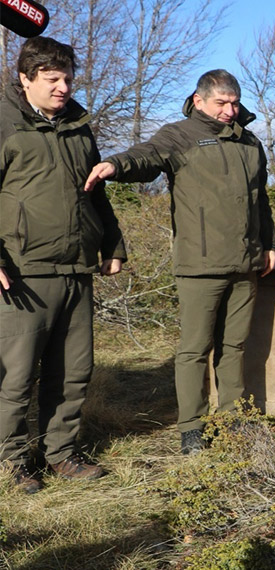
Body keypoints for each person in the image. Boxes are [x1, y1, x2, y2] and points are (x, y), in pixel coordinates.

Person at [84, 69, 275, 454]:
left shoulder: (250, 142)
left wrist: (269, 245)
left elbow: (261, 201)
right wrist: (115, 165)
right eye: (221, 103)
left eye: (234, 103)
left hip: (246, 263)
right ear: (200, 100)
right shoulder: (180, 135)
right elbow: (146, 156)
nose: (229, 110)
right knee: (193, 349)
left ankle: (233, 419)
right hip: (199, 264)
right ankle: (192, 427)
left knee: (235, 345)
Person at [0, 36, 126, 493]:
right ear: (25, 78)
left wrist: (113, 244)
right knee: (15, 377)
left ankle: (61, 453)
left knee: (74, 371)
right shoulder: (5, 123)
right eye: (52, 79)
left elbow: (96, 193)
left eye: (68, 78)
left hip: (76, 269)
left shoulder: (78, 124)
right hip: (21, 275)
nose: (63, 87)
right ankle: (12, 463)